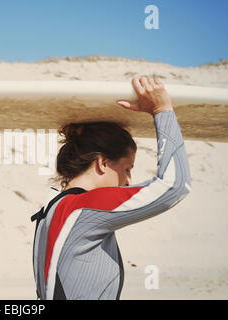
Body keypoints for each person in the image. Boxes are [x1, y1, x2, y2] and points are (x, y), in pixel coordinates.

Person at [31, 77, 192, 300]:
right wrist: (161, 110)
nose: (127, 180)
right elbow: (174, 185)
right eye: (127, 169)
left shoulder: (51, 209)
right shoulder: (82, 208)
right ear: (103, 163)